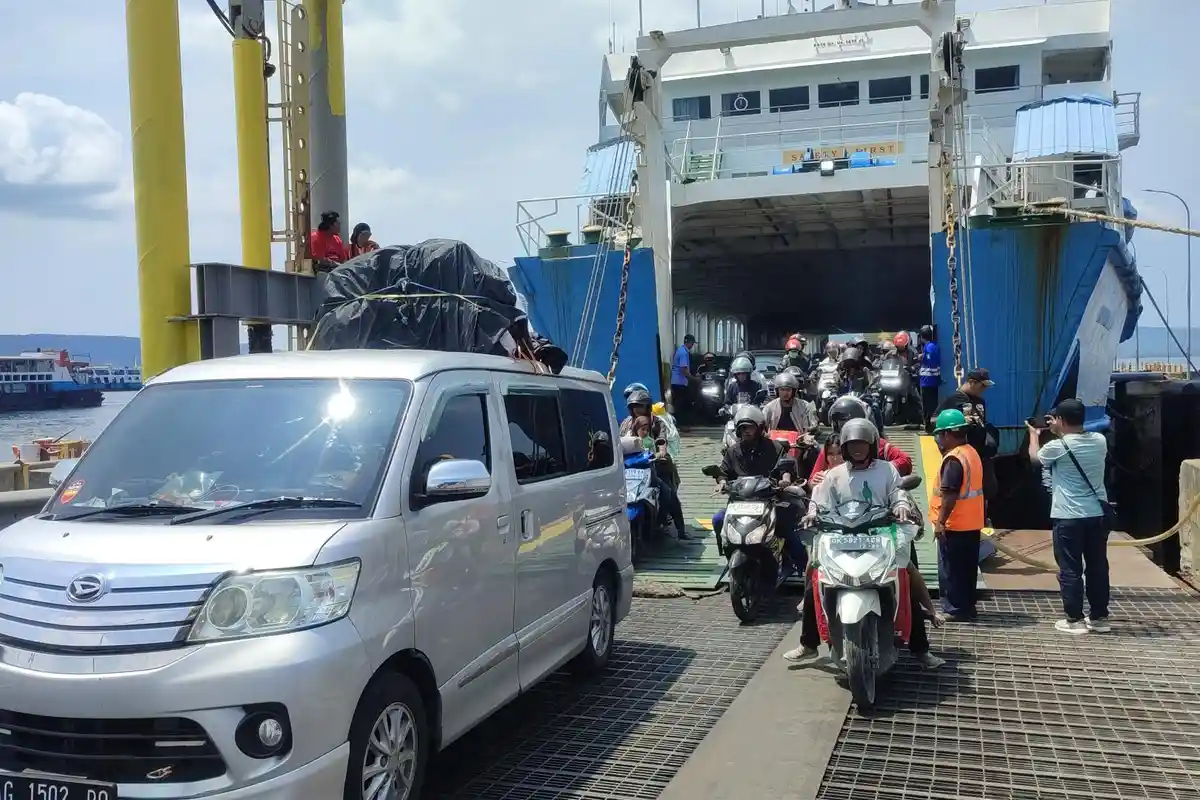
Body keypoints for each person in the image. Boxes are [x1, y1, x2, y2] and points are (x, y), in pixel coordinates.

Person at [784, 419, 945, 668]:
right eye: (852, 444)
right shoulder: (834, 475)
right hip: (840, 536)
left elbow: (897, 492)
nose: (857, 449)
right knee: (815, 578)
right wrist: (812, 513)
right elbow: (819, 499)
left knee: (904, 573)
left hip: (880, 533)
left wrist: (901, 506)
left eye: (862, 443)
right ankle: (809, 643)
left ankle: (920, 648)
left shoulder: (886, 469)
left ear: (872, 444)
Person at [1026, 399, 1111, 634]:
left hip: (1069, 516)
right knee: (1097, 566)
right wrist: (1060, 430)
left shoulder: (1058, 446)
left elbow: (1036, 458)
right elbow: (1077, 441)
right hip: (1097, 514)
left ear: (1060, 420)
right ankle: (1100, 618)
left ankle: (1075, 620)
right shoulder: (1100, 441)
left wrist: (1035, 434)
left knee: (1070, 569)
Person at [712, 406, 805, 569]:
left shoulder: (774, 447)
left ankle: (803, 567)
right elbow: (723, 472)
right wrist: (721, 482)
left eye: (751, 427)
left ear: (760, 428)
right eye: (743, 428)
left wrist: (785, 478)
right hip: (739, 502)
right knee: (718, 519)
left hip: (769, 501)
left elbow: (786, 466)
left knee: (788, 528)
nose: (747, 431)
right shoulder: (732, 451)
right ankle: (728, 552)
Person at [930, 409, 985, 622]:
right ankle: (967, 607)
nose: (938, 439)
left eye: (939, 435)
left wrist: (940, 522)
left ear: (947, 434)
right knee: (967, 569)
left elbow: (950, 495)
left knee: (951, 569)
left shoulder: (954, 459)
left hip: (954, 524)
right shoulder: (971, 451)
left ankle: (954, 609)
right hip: (971, 523)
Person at [621, 389, 688, 539]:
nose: (637, 409)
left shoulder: (657, 422)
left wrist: (661, 451)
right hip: (632, 466)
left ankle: (680, 530)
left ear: (648, 407)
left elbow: (661, 439)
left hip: (656, 466)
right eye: (634, 406)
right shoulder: (626, 423)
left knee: (668, 492)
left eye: (641, 406)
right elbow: (620, 441)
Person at [936, 367, 998, 510]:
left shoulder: (980, 402)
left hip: (980, 454)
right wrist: (961, 420)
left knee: (986, 489)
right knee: (960, 488)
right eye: (982, 386)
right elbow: (934, 421)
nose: (984, 389)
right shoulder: (952, 400)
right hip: (962, 455)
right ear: (971, 382)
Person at [812, 397, 913, 477]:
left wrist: (880, 470)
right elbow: (813, 480)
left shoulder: (878, 443)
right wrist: (818, 479)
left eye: (862, 445)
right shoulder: (832, 446)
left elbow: (905, 461)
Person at [918, 325, 941, 433]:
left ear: (922, 337)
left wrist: (922, 358)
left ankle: (929, 427)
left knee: (927, 406)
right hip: (933, 381)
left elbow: (930, 361)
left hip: (927, 382)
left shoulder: (928, 347)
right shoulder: (934, 345)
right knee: (932, 405)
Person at [671, 334, 697, 422]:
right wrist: (693, 379)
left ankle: (680, 423)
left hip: (678, 381)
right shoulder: (683, 353)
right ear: (689, 342)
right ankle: (681, 423)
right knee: (681, 404)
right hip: (680, 382)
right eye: (692, 343)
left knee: (680, 403)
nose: (692, 346)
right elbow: (683, 369)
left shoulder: (680, 350)